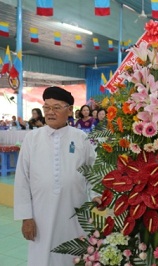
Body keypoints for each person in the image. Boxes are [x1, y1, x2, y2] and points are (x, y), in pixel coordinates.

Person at [14, 86, 102, 266]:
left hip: (74, 213)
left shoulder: (81, 138)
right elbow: (22, 179)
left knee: (74, 256)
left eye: (56, 107)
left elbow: (93, 170)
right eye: (47, 107)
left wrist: (96, 195)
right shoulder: (32, 139)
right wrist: (26, 217)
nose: (50, 112)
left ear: (69, 110)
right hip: (40, 216)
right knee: (42, 257)